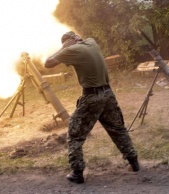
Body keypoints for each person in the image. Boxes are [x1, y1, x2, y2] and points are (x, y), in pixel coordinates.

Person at [44, 31, 139, 184]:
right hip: (108, 94)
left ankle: (77, 173)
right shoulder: (91, 42)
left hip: (92, 97)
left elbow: (47, 63)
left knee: (74, 134)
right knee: (117, 129)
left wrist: (63, 48)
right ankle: (134, 163)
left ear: (67, 43)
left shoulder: (71, 50)